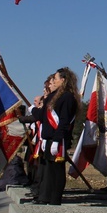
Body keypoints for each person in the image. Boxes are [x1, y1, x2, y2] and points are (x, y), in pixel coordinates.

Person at [35, 67, 80, 205]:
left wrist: (56, 139)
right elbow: (43, 116)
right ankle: (47, 197)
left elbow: (64, 121)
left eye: (55, 79)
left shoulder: (67, 97)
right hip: (49, 138)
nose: (53, 81)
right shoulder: (55, 96)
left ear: (63, 80)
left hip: (58, 139)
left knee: (57, 170)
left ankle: (55, 199)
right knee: (49, 170)